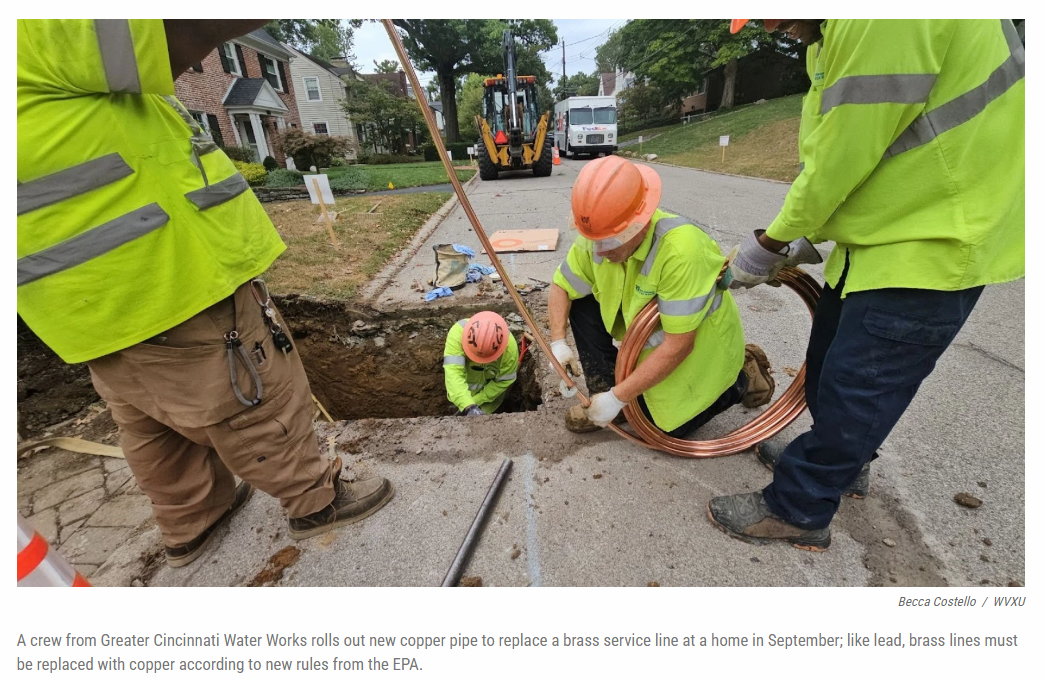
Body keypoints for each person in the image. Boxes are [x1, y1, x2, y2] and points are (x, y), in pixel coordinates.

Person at [16, 20, 394, 568]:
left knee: (149, 422)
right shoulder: (35, 25)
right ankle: (315, 500)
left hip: (80, 302)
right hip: (169, 274)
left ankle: (190, 521)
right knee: (254, 394)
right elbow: (178, 29)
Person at [708, 19, 1025, 551]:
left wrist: (769, 245)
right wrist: (807, 236)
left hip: (935, 237)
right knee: (829, 362)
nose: (771, 25)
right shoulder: (826, 32)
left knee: (859, 385)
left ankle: (799, 508)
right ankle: (841, 461)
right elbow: (837, 147)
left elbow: (840, 160)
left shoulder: (879, 19)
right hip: (886, 229)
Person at [549, 156, 782, 437]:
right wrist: (558, 342)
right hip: (652, 347)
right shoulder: (599, 237)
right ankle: (607, 393)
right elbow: (562, 285)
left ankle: (742, 377)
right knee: (579, 301)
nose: (599, 251)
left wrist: (618, 398)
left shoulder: (681, 251)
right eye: (593, 239)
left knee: (669, 428)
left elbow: (679, 345)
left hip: (697, 350)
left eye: (609, 241)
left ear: (640, 223)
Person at [443, 312, 519, 415]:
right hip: (460, 394)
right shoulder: (457, 335)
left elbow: (503, 381)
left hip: (489, 401)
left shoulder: (510, 350)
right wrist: (466, 404)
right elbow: (454, 373)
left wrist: (474, 403)